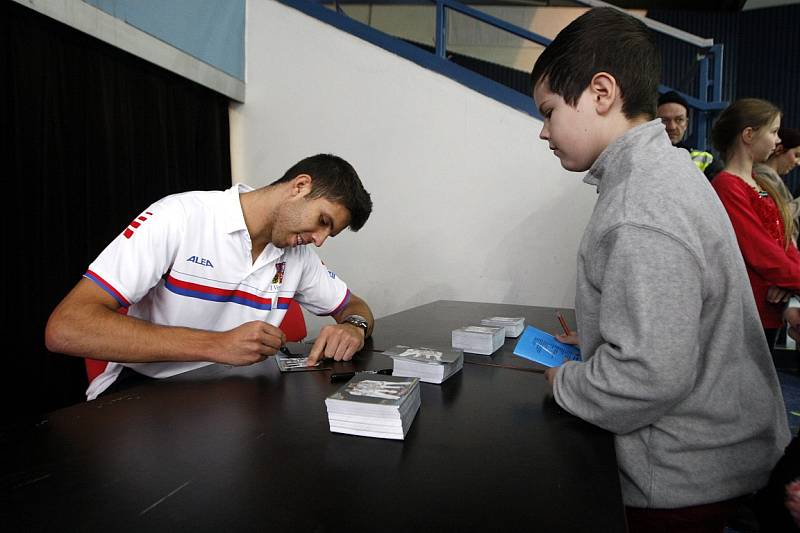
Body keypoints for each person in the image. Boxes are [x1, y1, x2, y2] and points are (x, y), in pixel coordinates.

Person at [531, 7, 789, 532]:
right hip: (713, 457)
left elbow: (647, 378)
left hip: (680, 477)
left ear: (601, 94)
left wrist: (566, 381)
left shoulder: (640, 204)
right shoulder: (665, 170)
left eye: (550, 110)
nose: (543, 131)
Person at [45, 154, 375, 399]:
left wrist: (353, 327)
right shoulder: (179, 217)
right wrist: (217, 345)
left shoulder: (299, 256)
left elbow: (354, 305)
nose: (319, 239)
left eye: (330, 234)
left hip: (235, 397)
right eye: (323, 221)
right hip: (146, 391)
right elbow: (66, 328)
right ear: (300, 186)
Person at [710, 100, 800, 348]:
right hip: (749, 310)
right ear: (748, 135)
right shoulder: (728, 186)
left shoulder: (759, 186)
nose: (777, 140)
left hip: (770, 306)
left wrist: (787, 282)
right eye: (773, 132)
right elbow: (759, 249)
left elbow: (782, 236)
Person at [656, 90, 721, 178]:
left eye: (679, 120)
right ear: (654, 123)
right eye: (664, 120)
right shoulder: (643, 157)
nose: (672, 127)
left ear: (686, 124)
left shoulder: (705, 161)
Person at [754, 126, 800, 242]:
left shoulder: (771, 179)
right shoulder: (761, 178)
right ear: (779, 149)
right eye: (796, 155)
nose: (797, 162)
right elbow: (775, 212)